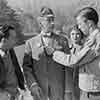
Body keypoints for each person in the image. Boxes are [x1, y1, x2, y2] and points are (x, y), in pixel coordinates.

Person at [22, 6, 70, 100]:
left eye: (53, 19)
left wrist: (68, 90)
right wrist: (32, 84)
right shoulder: (30, 43)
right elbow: (27, 68)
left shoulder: (63, 41)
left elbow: (68, 66)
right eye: (48, 20)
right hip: (39, 92)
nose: (52, 23)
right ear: (40, 23)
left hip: (59, 91)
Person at [53, 7, 100, 100]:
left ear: (89, 23)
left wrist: (54, 53)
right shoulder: (91, 38)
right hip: (89, 91)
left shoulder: (96, 40)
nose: (78, 27)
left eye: (80, 24)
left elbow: (74, 61)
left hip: (94, 93)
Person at [0, 24, 25, 100]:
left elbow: (16, 69)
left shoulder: (10, 50)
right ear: (4, 40)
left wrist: (21, 88)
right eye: (13, 38)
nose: (16, 40)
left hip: (15, 94)